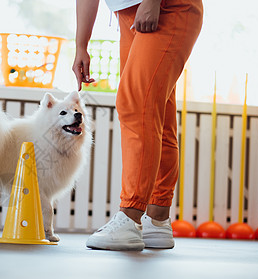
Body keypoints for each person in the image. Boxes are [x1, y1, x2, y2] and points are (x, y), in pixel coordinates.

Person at [72, 0, 203, 250]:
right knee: (157, 114)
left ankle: (130, 216)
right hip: (129, 14)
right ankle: (157, 218)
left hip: (167, 7)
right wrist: (81, 45)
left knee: (135, 104)